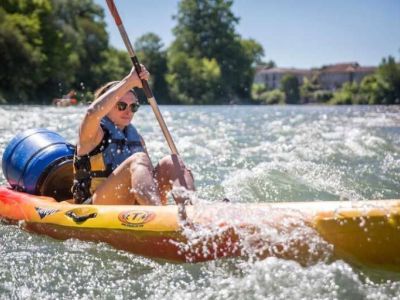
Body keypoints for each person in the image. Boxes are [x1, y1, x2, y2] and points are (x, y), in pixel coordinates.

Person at [72, 66, 195, 205]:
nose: (128, 111)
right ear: (107, 106)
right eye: (121, 105)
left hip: (132, 202)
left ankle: (190, 211)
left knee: (173, 161)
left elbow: (149, 177)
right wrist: (129, 81)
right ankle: (156, 215)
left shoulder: (137, 138)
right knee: (139, 158)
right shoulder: (93, 133)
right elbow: (91, 112)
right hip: (95, 204)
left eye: (133, 107)